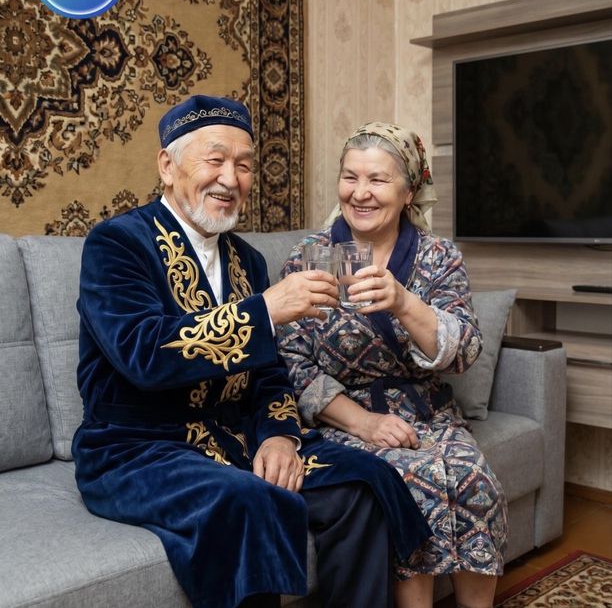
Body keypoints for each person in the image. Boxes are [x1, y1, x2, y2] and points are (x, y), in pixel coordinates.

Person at [71, 98, 432, 608]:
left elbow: (269, 374)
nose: (230, 178)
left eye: (243, 165)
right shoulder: (117, 244)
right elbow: (143, 353)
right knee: (248, 501)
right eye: (215, 160)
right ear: (167, 166)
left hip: (233, 440)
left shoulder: (246, 259)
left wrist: (280, 436)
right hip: (136, 450)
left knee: (366, 482)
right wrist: (264, 311)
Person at [277, 122, 508, 608]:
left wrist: (404, 302)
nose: (360, 192)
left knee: (476, 481)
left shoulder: (437, 256)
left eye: (377, 179)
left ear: (408, 192)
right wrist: (365, 423)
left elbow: (465, 351)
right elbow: (291, 361)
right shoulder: (314, 256)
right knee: (412, 484)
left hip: (428, 414)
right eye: (350, 177)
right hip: (345, 420)